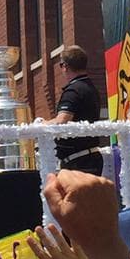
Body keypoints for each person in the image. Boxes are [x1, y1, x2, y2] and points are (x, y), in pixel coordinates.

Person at [45, 45, 103, 176]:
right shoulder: (90, 87)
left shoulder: (73, 90)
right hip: (90, 157)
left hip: (78, 162)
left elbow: (61, 122)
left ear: (65, 66)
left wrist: (40, 125)